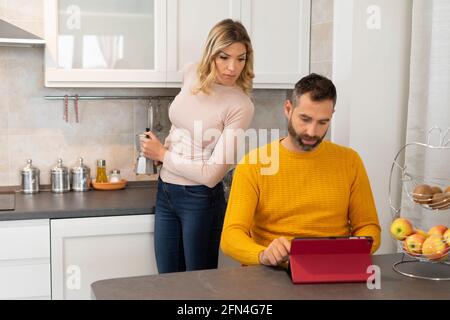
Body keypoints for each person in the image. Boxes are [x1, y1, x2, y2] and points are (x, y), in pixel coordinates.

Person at [220, 73, 381, 267]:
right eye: (305, 119)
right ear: (288, 109)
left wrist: (350, 251)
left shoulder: (350, 161)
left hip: (333, 268)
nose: (312, 131)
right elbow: (230, 236)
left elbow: (368, 227)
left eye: (323, 122)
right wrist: (263, 254)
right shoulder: (253, 164)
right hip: (272, 272)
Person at [141, 19, 255, 273]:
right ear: (211, 53)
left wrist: (163, 153)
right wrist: (162, 153)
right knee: (169, 280)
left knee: (198, 284)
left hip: (199, 200)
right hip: (166, 191)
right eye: (224, 57)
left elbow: (212, 175)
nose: (232, 67)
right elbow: (181, 126)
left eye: (240, 58)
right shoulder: (191, 73)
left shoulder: (240, 105)